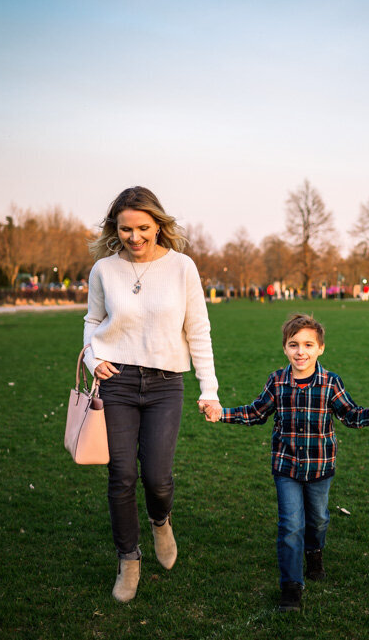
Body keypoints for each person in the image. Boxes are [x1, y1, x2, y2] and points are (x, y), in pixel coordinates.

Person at [202, 314, 369, 612]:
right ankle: (291, 587)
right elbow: (256, 413)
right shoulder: (277, 381)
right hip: (286, 467)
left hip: (320, 466)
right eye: (294, 345)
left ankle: (314, 551)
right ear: (284, 348)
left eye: (308, 344)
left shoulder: (331, 383)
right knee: (290, 525)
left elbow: (351, 415)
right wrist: (221, 413)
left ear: (321, 348)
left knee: (317, 520)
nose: (300, 351)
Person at [83, 186, 220, 603]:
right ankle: (128, 558)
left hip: (165, 386)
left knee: (157, 477)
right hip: (117, 383)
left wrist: (208, 388)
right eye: (126, 229)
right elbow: (92, 320)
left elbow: (198, 329)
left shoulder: (182, 267)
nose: (135, 237)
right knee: (121, 476)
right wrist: (93, 360)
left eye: (143, 227)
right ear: (115, 229)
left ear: (159, 224)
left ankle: (161, 520)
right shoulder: (104, 269)